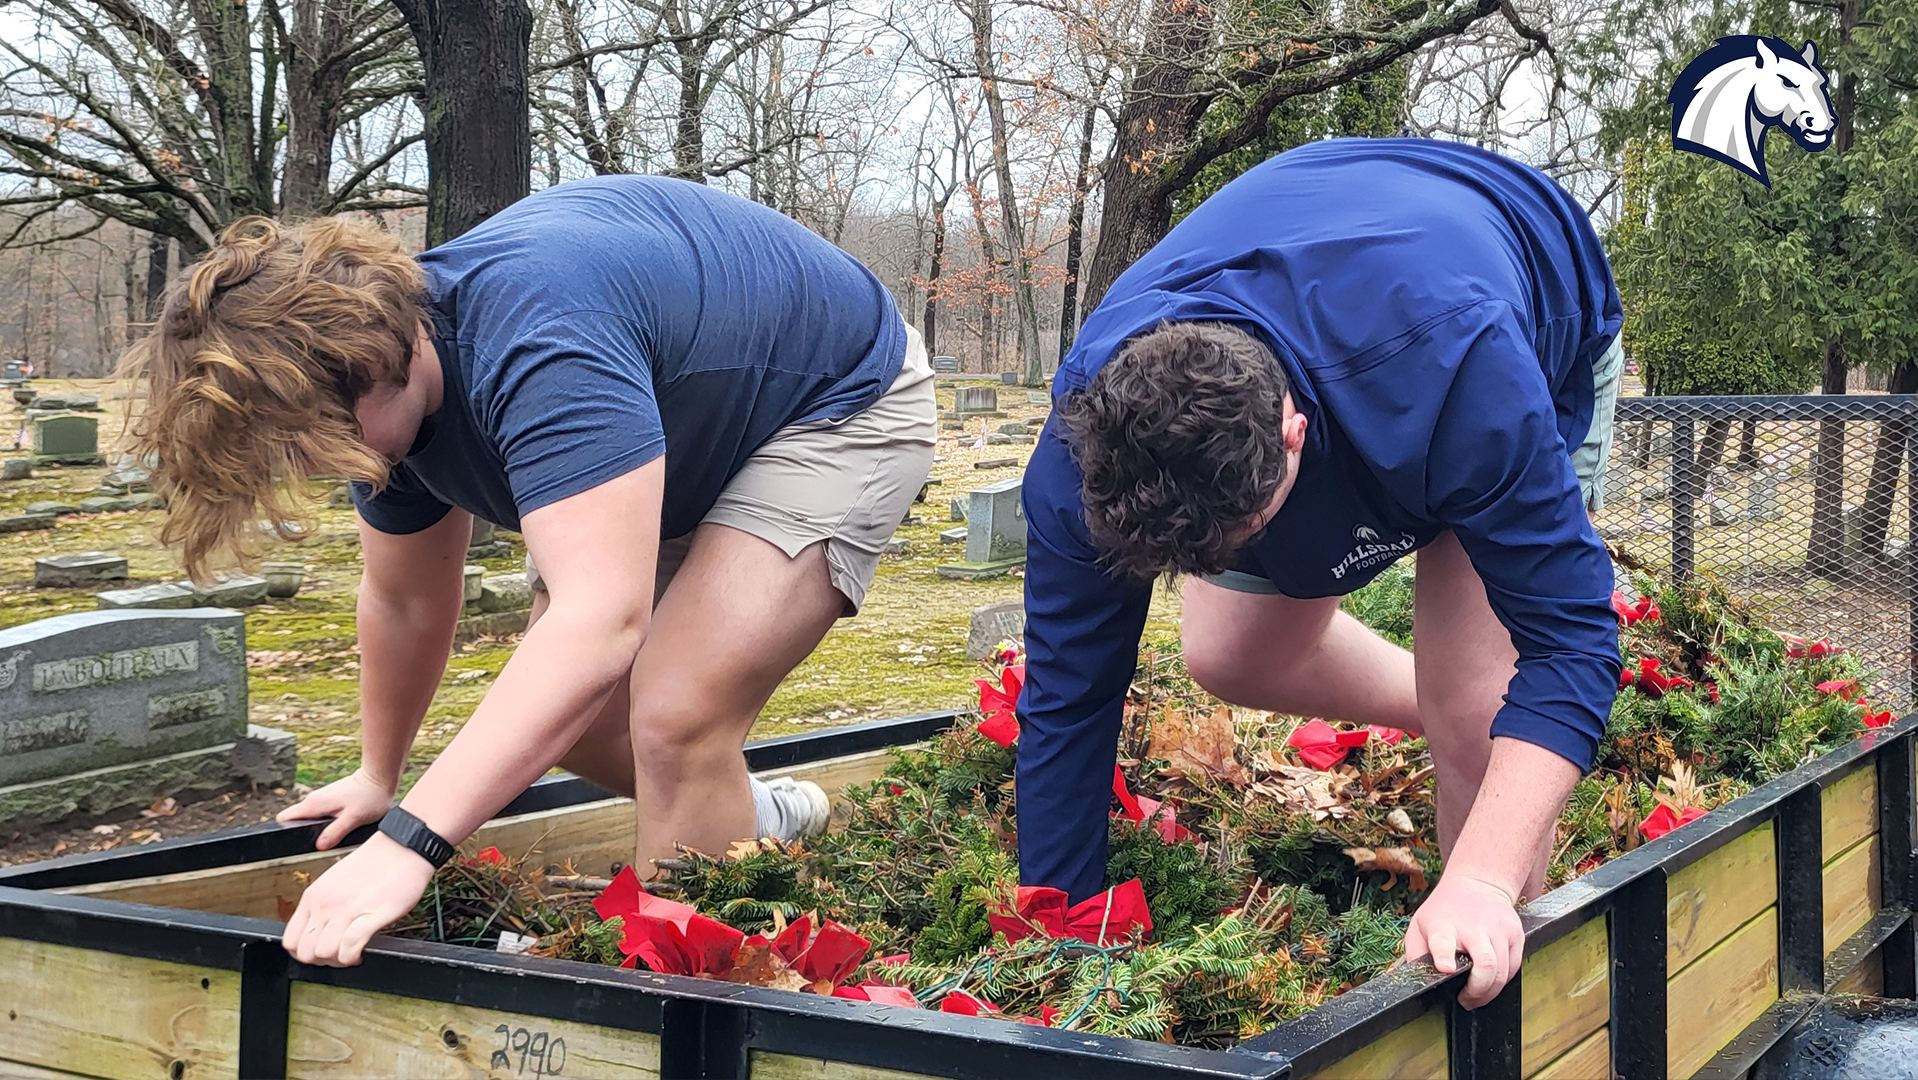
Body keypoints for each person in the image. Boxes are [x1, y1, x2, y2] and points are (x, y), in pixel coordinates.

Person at [123, 176, 937, 967]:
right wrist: (381, 773)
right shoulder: (383, 402)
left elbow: (598, 622)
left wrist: (411, 843)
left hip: (833, 399)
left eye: (303, 440)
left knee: (677, 714)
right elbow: (405, 600)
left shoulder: (539, 340)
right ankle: (755, 821)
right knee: (573, 723)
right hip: (678, 422)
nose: (306, 464)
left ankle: (691, 1010)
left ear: (371, 359)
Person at [1018, 138, 1624, 1010]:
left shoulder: (1467, 378)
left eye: (1239, 540)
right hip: (1329, 266)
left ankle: (1482, 976)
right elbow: (1068, 696)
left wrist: (1485, 881)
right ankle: (1481, 724)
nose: (1220, 570)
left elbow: (1568, 643)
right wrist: (1065, 929)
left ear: (1290, 434)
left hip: (1507, 300)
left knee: (1478, 701)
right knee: (1230, 655)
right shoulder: (1085, 448)